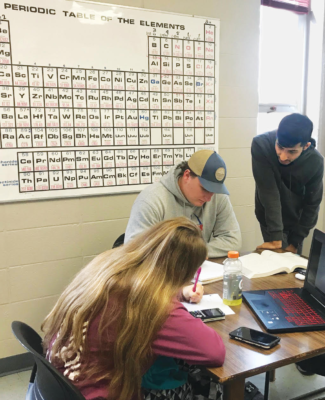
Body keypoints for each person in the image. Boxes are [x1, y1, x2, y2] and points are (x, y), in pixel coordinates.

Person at [41, 217, 226, 400]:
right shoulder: (151, 304)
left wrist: (176, 292)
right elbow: (214, 351)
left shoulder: (108, 264)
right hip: (97, 392)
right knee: (207, 384)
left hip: (61, 381)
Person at [125, 149, 241, 258]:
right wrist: (184, 258)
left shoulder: (218, 197)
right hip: (161, 274)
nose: (209, 198)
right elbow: (134, 251)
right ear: (187, 175)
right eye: (205, 188)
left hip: (200, 273)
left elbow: (233, 239)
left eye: (214, 190)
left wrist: (199, 253)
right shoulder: (151, 200)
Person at [252, 113, 324, 254]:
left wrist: (296, 241)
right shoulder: (261, 145)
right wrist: (276, 237)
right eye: (280, 147)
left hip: (296, 222)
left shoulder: (315, 161)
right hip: (269, 218)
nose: (283, 156)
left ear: (306, 146)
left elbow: (312, 203)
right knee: (276, 261)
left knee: (291, 265)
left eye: (292, 152)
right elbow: (268, 191)